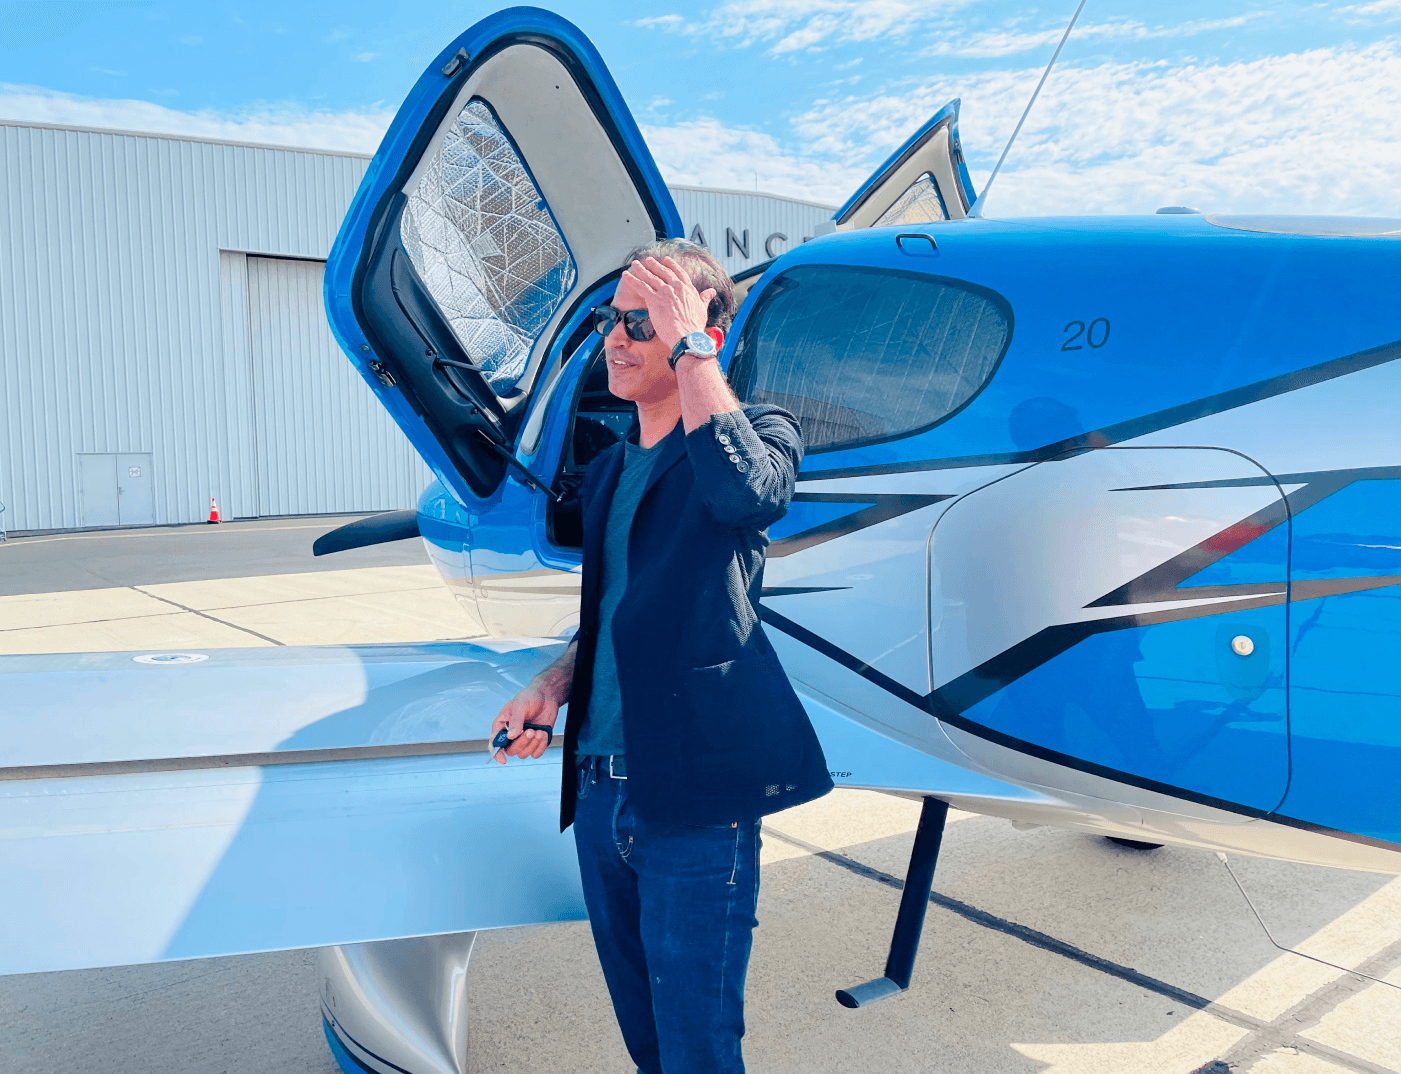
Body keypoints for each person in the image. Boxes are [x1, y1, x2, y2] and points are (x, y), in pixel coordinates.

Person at [490, 238, 832, 1074]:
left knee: (697, 1047)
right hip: (601, 793)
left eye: (642, 321)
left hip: (692, 797)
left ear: (702, 325)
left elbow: (751, 496)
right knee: (647, 1042)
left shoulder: (758, 432)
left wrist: (690, 348)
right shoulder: (609, 469)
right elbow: (610, 614)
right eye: (614, 318)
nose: (617, 337)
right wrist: (553, 684)